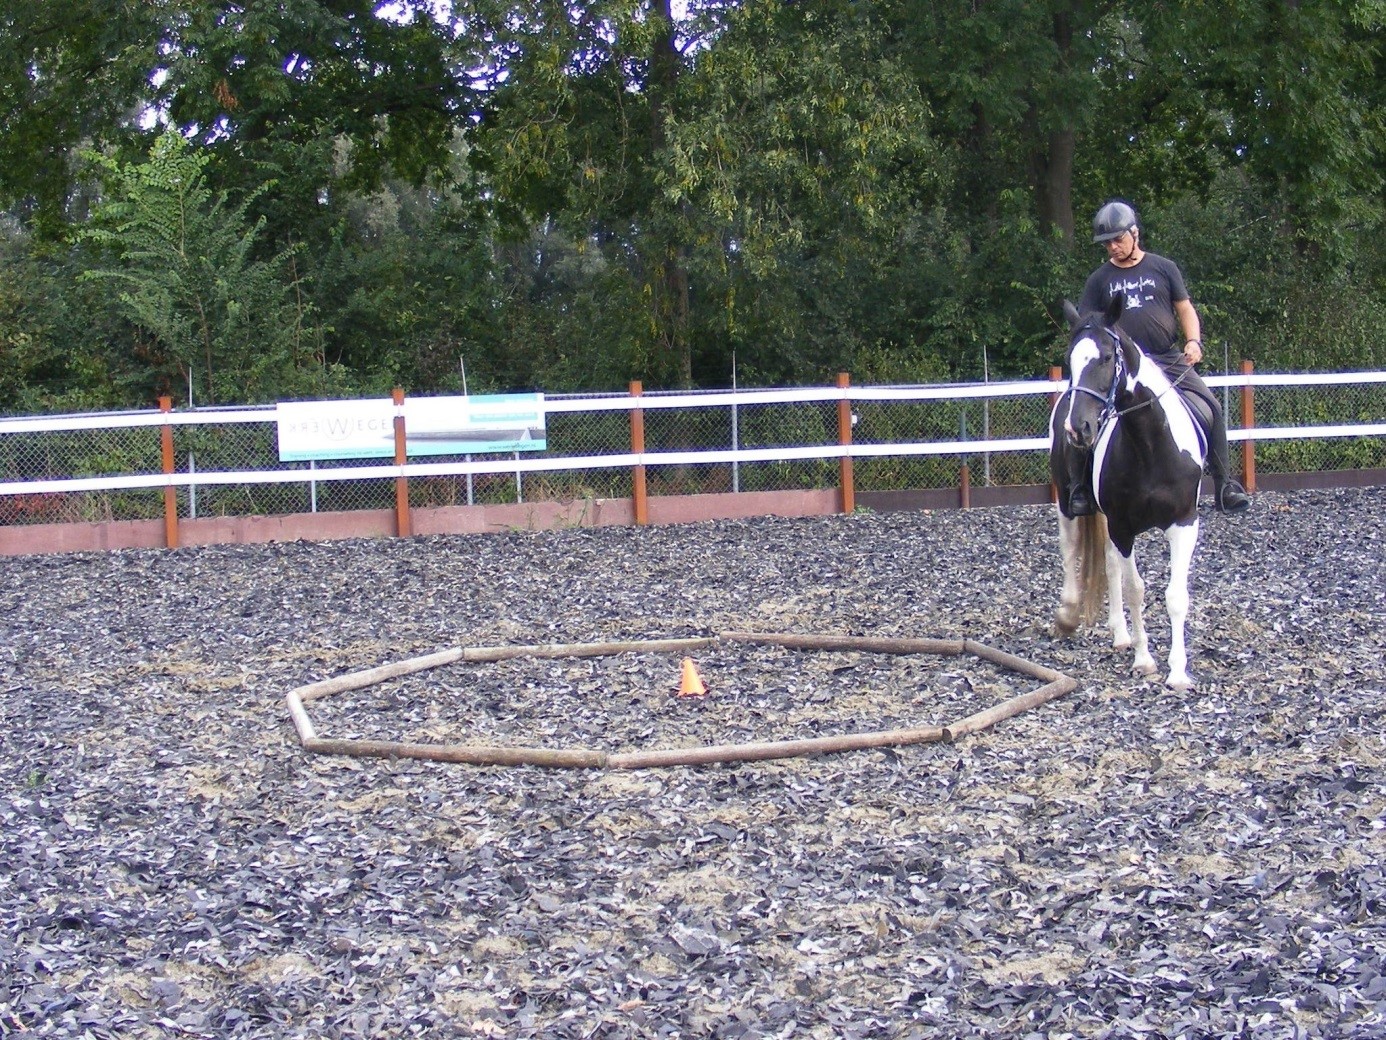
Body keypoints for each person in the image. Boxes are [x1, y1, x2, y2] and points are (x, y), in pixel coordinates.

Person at [1069, 200, 1251, 515]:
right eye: (1107, 242)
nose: (1113, 247)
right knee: (1080, 413)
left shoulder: (1163, 268)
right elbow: (1087, 325)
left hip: (1165, 357)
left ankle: (1225, 485)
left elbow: (1184, 309)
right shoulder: (1098, 280)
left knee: (1211, 407)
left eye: (1118, 239)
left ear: (1134, 233)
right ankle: (1080, 488)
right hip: (1122, 364)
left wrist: (1193, 340)